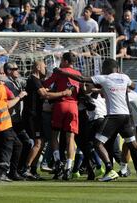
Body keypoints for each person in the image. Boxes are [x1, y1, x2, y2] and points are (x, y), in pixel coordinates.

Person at [55, 58, 137, 182]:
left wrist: (63, 72)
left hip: (114, 116)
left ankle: (110, 170)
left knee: (97, 142)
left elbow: (81, 79)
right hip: (127, 116)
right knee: (133, 144)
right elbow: (133, 85)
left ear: (105, 68)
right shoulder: (124, 77)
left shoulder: (104, 78)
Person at [21, 60, 72, 179]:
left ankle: (33, 169)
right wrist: (64, 92)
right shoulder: (33, 79)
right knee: (38, 142)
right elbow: (45, 95)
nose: (46, 69)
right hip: (31, 116)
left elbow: (46, 91)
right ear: (38, 67)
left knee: (42, 142)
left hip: (37, 115)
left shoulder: (38, 81)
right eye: (44, 67)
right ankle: (26, 169)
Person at [43, 52, 81, 180]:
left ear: (65, 61)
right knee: (70, 139)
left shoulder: (59, 72)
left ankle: (58, 162)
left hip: (61, 105)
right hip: (74, 107)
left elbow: (46, 84)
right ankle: (69, 168)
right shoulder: (78, 74)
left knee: (54, 136)